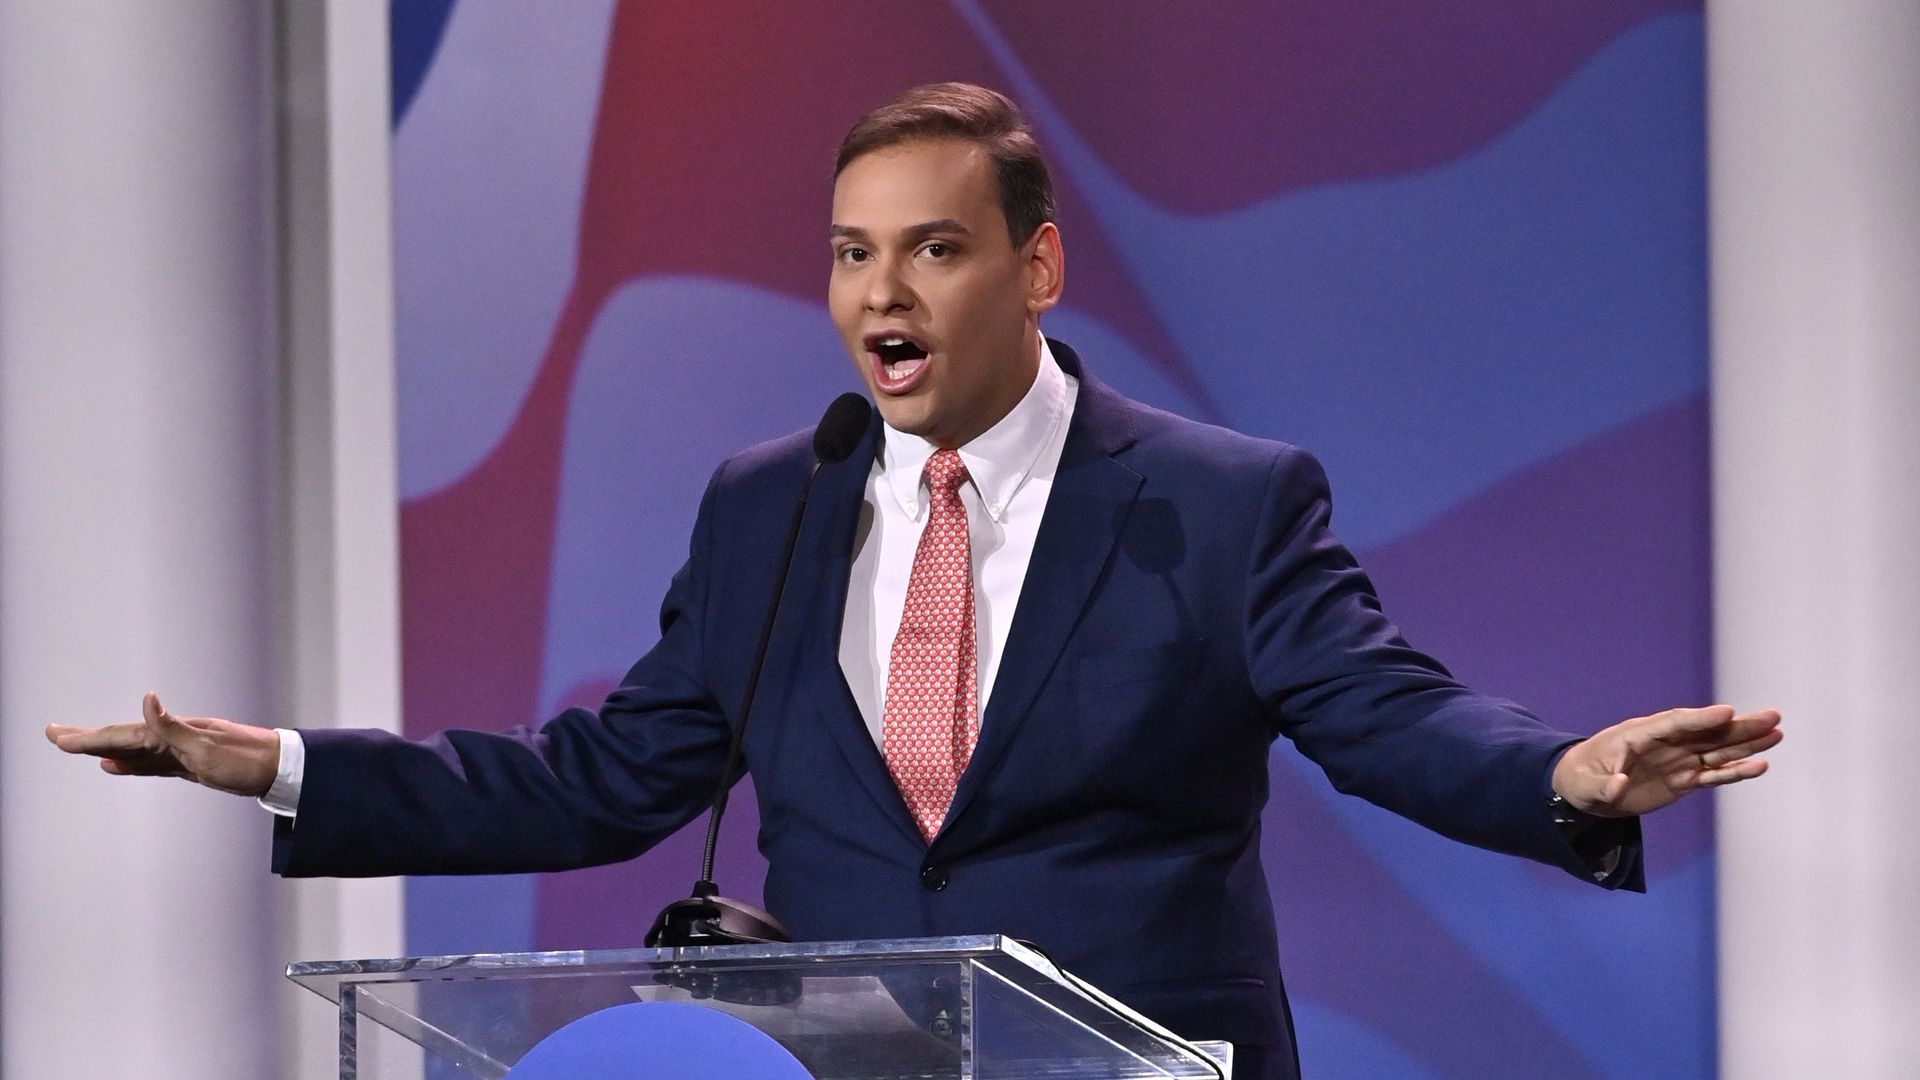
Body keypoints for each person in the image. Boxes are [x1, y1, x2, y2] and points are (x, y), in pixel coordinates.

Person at [49, 83, 1781, 1080]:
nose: (882, 293)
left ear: (1037, 265)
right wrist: (279, 767)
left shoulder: (1215, 501)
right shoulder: (774, 507)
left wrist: (1561, 776)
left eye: (935, 249)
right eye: (852, 254)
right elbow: (599, 780)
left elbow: (1381, 711)